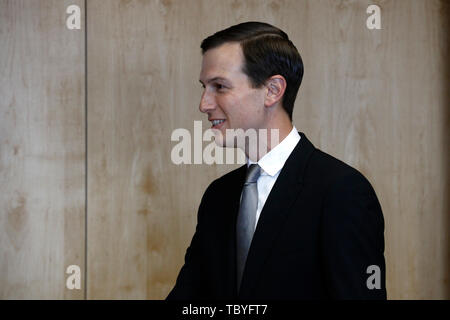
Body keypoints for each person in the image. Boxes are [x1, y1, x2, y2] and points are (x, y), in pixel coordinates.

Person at [167, 21, 386, 300]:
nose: (204, 104)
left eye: (219, 87)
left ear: (272, 90)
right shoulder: (218, 196)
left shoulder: (342, 191)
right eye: (204, 87)